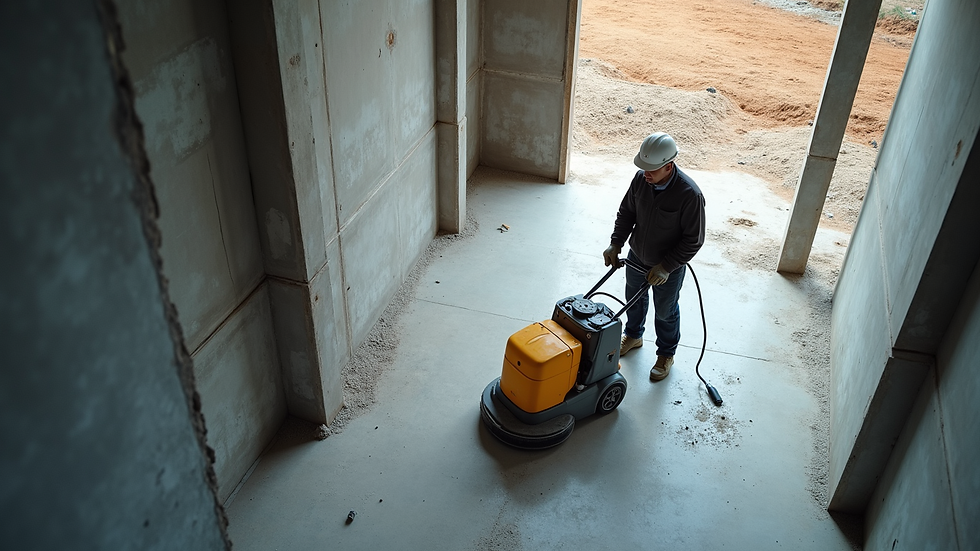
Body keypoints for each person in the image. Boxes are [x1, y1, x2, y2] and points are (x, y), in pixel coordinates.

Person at [602, 132, 705, 382]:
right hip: (637, 256)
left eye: (652, 169)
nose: (646, 174)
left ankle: (666, 354)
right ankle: (634, 335)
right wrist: (616, 243)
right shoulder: (641, 180)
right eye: (643, 168)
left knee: (665, 312)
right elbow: (627, 212)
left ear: (668, 166)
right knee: (633, 301)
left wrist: (667, 266)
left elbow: (694, 239)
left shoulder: (689, 195)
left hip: (667, 267)